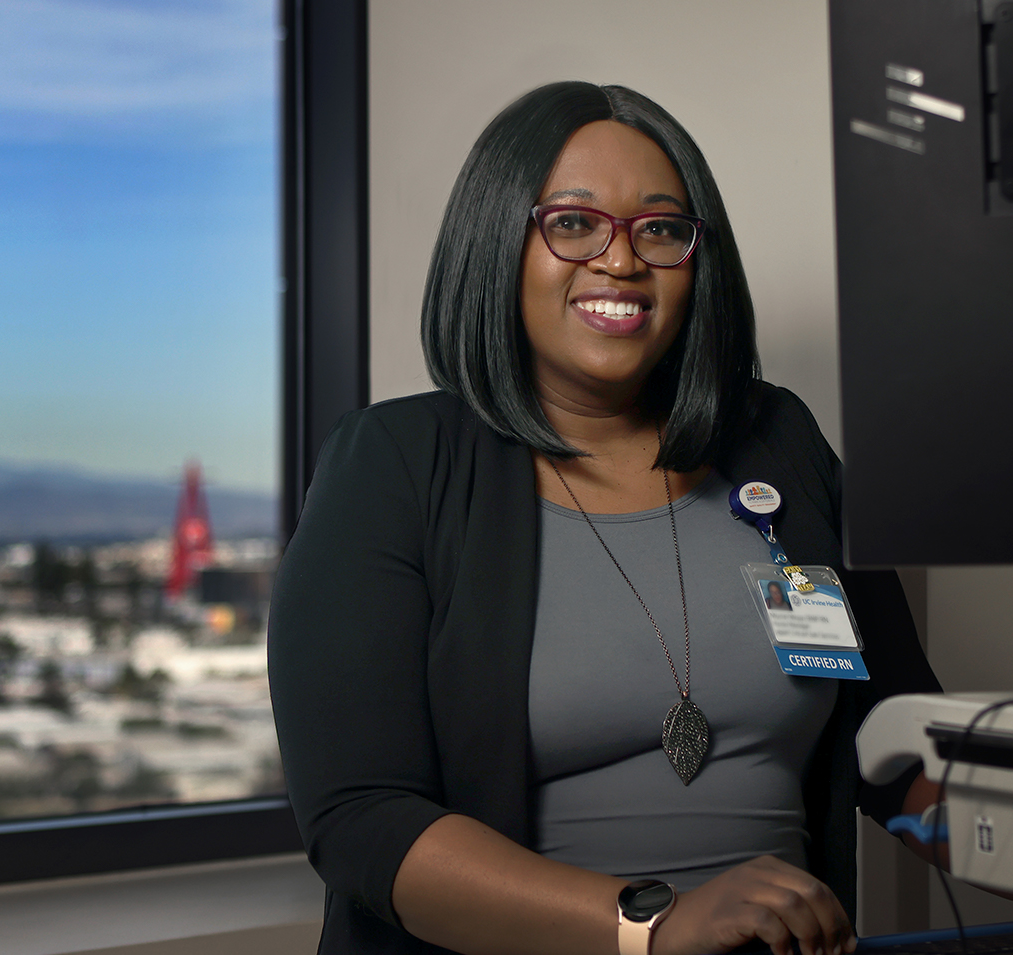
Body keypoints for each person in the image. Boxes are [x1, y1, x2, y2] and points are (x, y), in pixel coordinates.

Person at [269, 81, 945, 955]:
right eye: (573, 223)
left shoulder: (777, 443)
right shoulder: (396, 464)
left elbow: (900, 748)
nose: (621, 261)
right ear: (497, 241)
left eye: (660, 228)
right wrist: (653, 926)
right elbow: (362, 820)